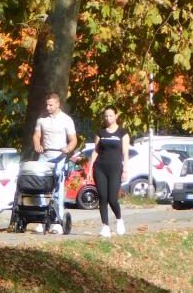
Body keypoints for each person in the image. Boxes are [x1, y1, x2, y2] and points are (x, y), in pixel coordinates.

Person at [31, 92, 78, 233]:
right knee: (39, 187)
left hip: (59, 157)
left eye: (50, 105)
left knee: (58, 189)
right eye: (46, 105)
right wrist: (37, 144)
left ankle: (57, 222)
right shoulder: (42, 119)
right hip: (44, 156)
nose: (48, 108)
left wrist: (68, 148)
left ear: (58, 104)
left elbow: (73, 140)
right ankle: (42, 219)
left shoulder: (66, 120)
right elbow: (36, 135)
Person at [87, 106, 129, 237]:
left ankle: (119, 219)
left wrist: (125, 170)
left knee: (112, 198)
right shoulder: (100, 132)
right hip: (100, 168)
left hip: (115, 168)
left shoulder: (122, 133)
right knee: (102, 197)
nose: (108, 118)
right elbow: (95, 151)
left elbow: (125, 153)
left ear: (116, 116)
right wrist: (90, 168)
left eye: (110, 115)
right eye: (105, 116)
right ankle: (105, 226)